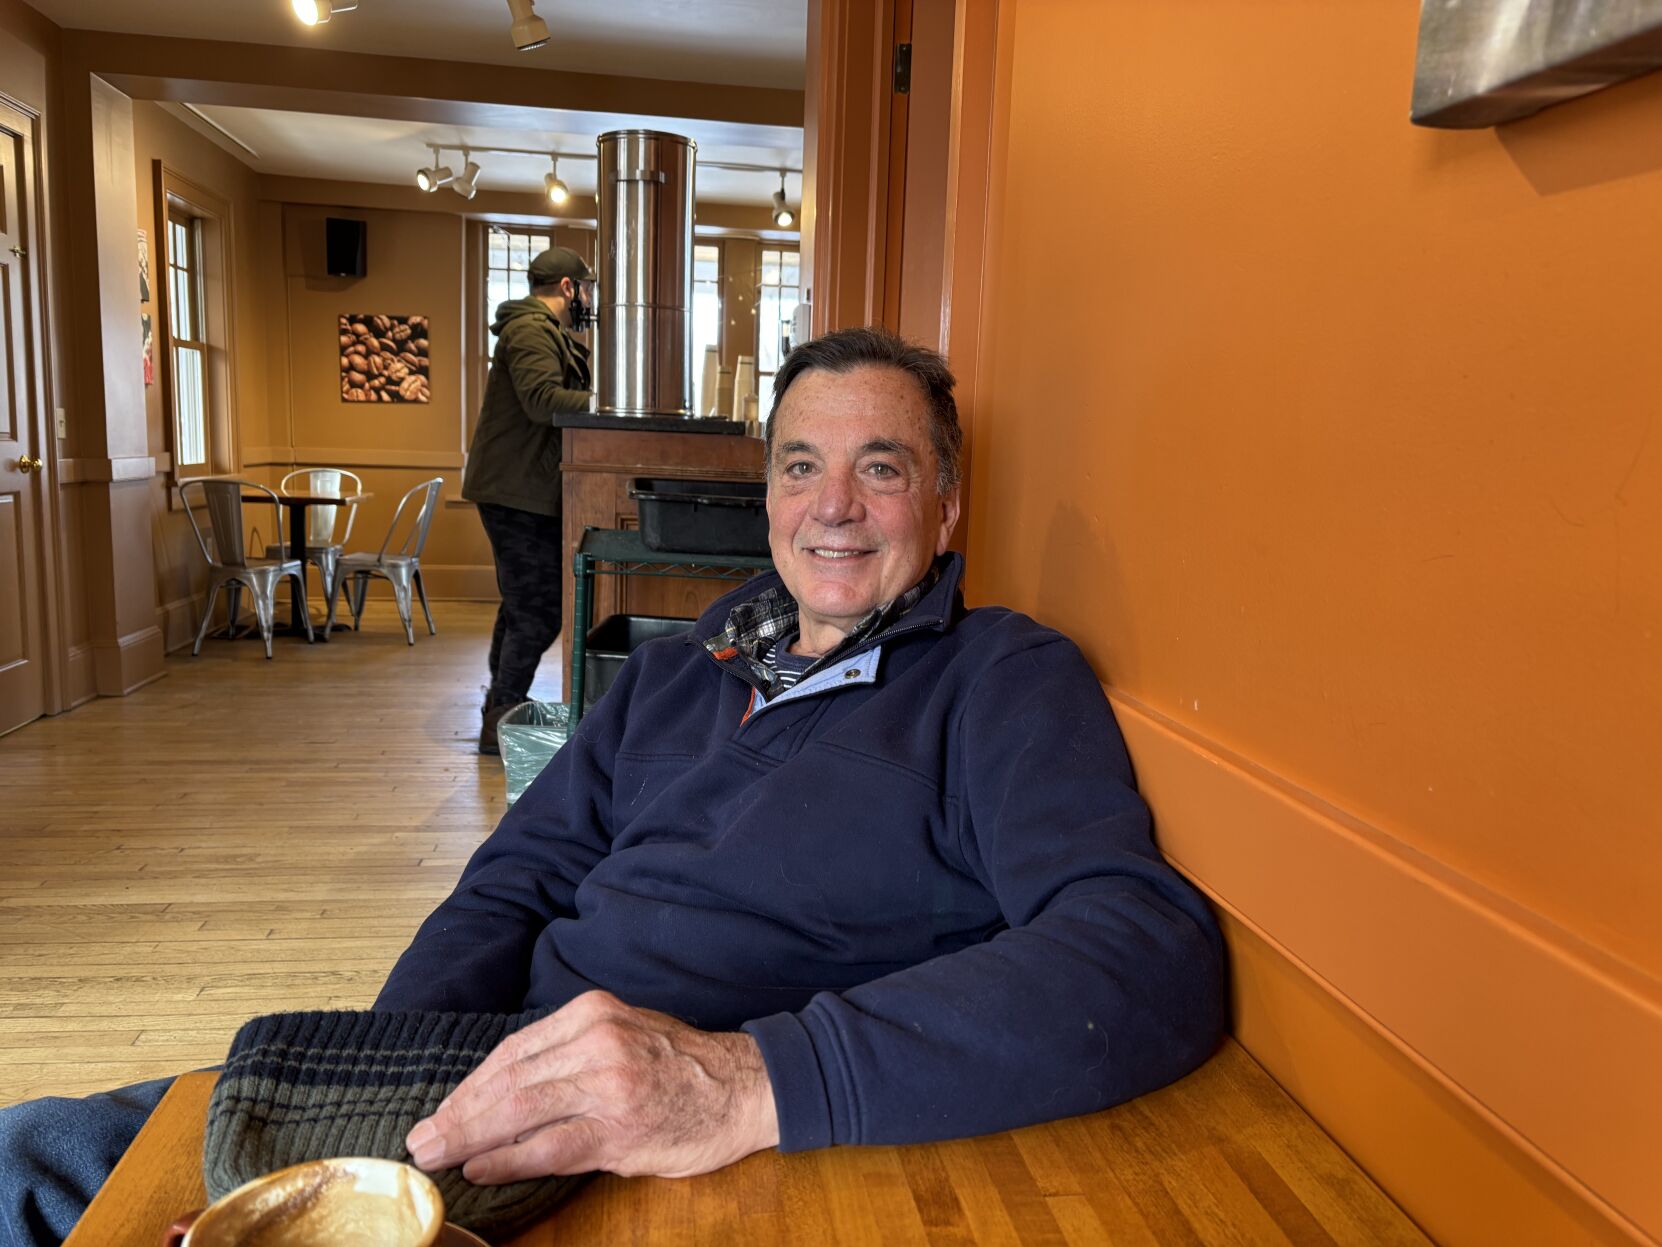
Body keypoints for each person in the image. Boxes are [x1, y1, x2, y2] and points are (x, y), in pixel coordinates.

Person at [0, 327, 1224, 1243]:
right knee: (29, 1163)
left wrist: (745, 1083)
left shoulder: (1000, 677)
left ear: (947, 506)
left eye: (884, 468)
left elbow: (1144, 948)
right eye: (801, 466)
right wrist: (377, 1123)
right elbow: (512, 882)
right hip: (492, 1081)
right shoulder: (680, 669)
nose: (834, 508)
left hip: (709, 1153)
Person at [464, 245, 595, 755]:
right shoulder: (529, 330)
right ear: (567, 287)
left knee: (522, 605)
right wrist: (611, 402)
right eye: (586, 288)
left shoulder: (539, 331)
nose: (588, 299)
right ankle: (500, 717)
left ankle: (500, 710)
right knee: (538, 610)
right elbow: (542, 401)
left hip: (521, 489)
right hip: (516, 492)